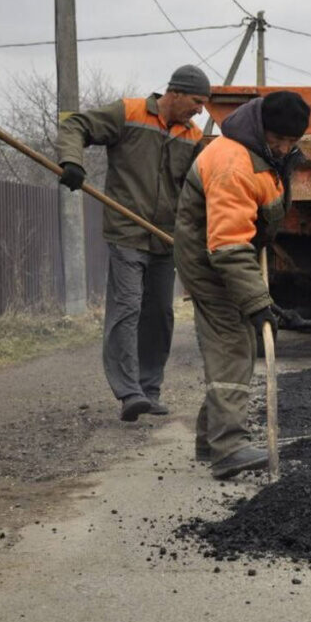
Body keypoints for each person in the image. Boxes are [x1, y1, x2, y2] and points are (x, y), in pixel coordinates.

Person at [56, 65, 210, 422]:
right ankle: (129, 393)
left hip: (166, 237)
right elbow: (75, 125)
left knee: (160, 314)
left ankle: (149, 389)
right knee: (127, 308)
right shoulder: (129, 113)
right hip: (126, 230)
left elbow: (204, 184)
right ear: (175, 93)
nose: (201, 110)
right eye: (197, 101)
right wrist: (71, 161)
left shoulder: (193, 136)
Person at [174, 90, 310, 479]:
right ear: (261, 129)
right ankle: (228, 447)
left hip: (234, 252)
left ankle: (208, 439)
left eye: (291, 143)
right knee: (232, 344)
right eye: (278, 141)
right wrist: (256, 302)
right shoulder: (233, 162)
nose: (284, 149)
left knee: (238, 343)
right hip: (212, 259)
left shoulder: (266, 155)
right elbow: (228, 245)